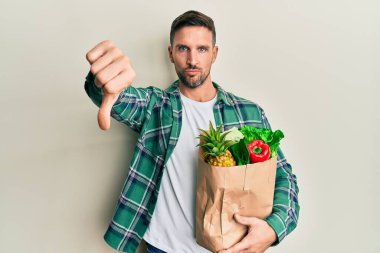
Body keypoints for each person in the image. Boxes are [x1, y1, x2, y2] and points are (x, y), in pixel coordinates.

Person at [84, 10, 300, 253]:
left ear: (214, 54)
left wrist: (273, 229)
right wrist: (102, 81)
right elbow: (121, 99)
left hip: (227, 247)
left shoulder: (248, 114)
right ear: (171, 53)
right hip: (162, 248)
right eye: (183, 49)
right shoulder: (156, 106)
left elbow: (283, 177)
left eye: (202, 49)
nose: (192, 60)